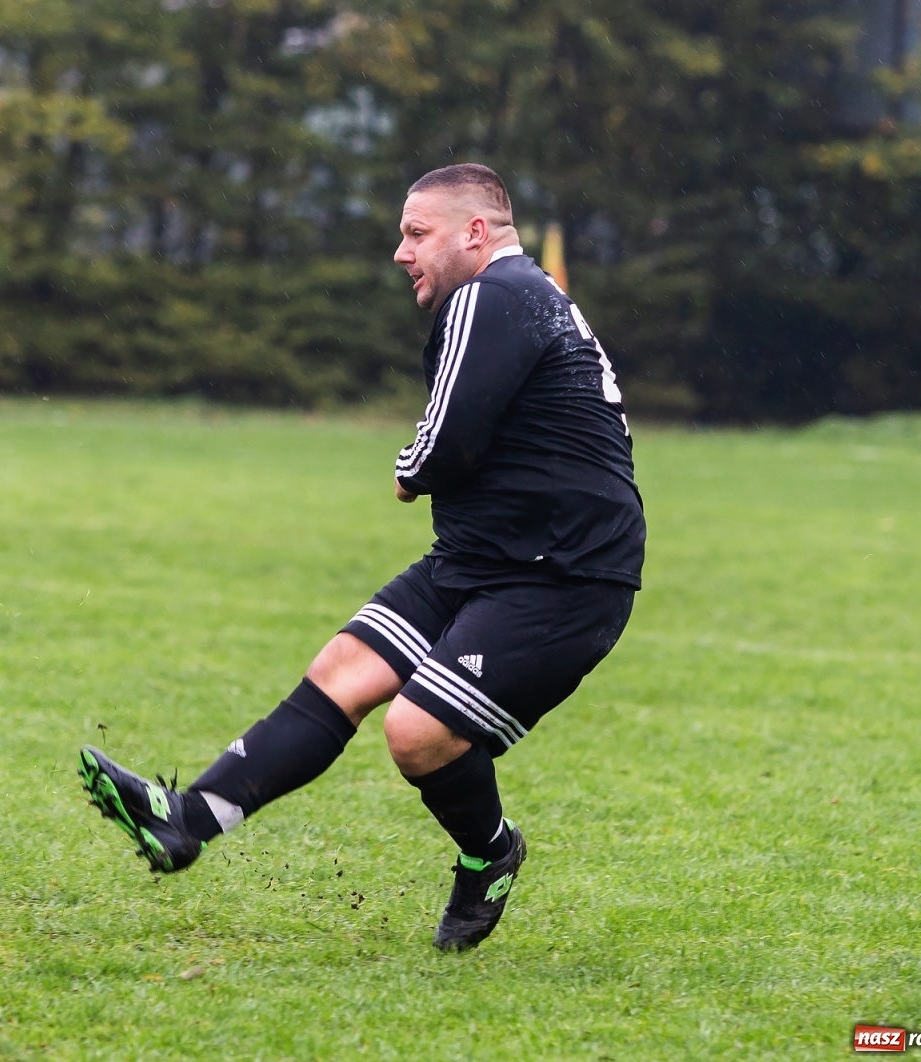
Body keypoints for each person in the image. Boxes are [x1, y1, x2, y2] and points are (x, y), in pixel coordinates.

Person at [77, 163, 645, 952]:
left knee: (417, 732)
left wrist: (410, 470)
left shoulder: (497, 292)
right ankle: (187, 822)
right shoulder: (520, 298)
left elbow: (446, 440)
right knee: (343, 670)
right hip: (483, 556)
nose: (400, 252)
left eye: (416, 233)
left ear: (474, 233)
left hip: (564, 579)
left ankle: (491, 855)